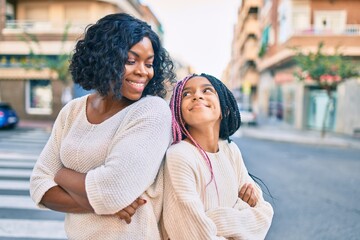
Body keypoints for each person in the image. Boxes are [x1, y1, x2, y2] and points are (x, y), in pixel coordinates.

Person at [29, 13, 176, 240]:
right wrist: (105, 203)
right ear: (105, 58)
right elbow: (39, 185)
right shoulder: (73, 111)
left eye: (149, 63)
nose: (143, 71)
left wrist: (61, 174)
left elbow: (112, 191)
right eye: (131, 61)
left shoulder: (152, 111)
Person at [162, 73, 274, 239]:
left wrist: (213, 219)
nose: (197, 96)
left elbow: (264, 212)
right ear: (179, 113)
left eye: (207, 91)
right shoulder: (179, 155)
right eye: (186, 94)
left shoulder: (231, 150)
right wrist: (240, 212)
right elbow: (193, 234)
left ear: (224, 108)